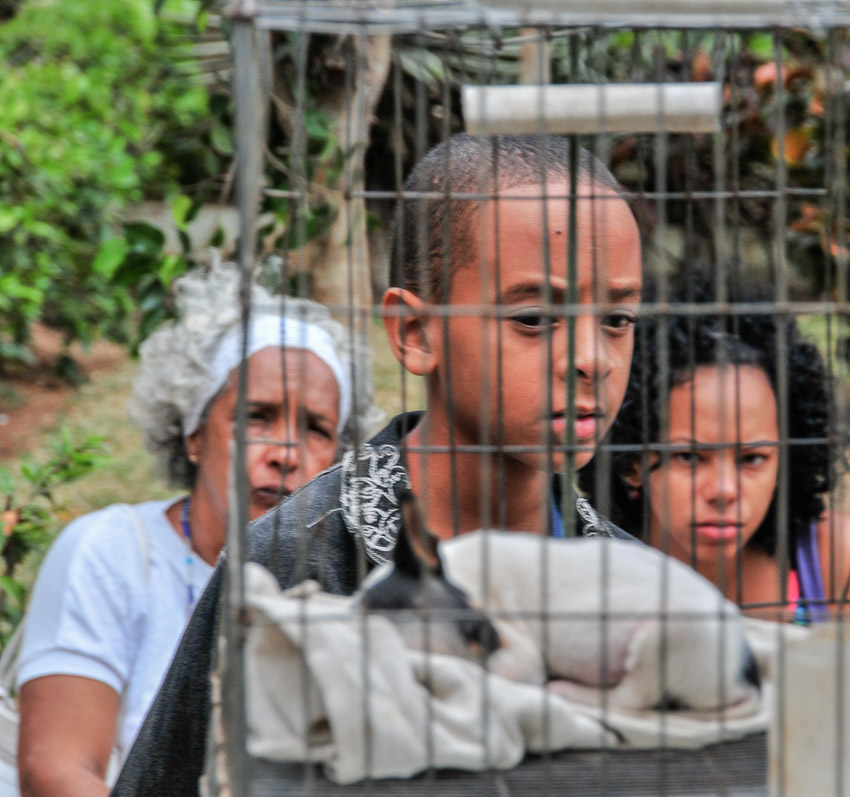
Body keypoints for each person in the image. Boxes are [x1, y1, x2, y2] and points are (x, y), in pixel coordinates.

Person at [111, 133, 643, 796]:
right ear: (415, 334)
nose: (591, 356)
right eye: (535, 316)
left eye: (618, 317)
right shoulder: (298, 557)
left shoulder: (626, 579)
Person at [15, 260, 378, 797]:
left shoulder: (344, 581)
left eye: (317, 429)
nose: (285, 454)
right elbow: (59, 772)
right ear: (192, 432)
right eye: (257, 416)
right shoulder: (112, 551)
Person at [582, 267, 850, 622]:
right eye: (689, 457)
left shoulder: (838, 563)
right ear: (632, 465)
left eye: (752, 459)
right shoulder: (592, 573)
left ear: (787, 460)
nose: (723, 490)